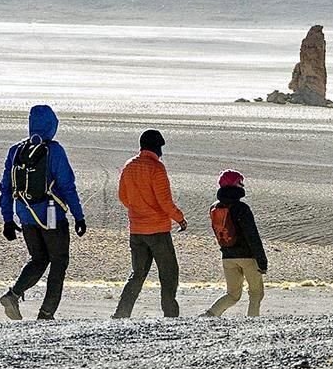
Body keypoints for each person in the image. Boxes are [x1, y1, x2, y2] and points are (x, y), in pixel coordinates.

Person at [0, 104, 86, 321]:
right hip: (51, 216)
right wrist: (79, 216)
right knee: (59, 261)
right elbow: (67, 186)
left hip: (26, 215)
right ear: (52, 125)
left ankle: (13, 294)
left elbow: (6, 188)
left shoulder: (16, 150)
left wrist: (8, 220)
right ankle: (46, 313)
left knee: (38, 258)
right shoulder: (54, 151)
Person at [112, 129, 187, 318]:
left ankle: (121, 313)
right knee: (169, 273)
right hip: (158, 230)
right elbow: (165, 201)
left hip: (136, 230)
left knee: (137, 274)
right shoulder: (156, 168)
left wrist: (137, 210)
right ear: (157, 147)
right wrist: (179, 218)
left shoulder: (129, 165)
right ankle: (170, 314)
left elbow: (122, 196)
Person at [201, 170, 268, 317]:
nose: (242, 185)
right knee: (256, 293)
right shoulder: (242, 208)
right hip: (248, 257)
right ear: (235, 185)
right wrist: (262, 262)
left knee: (232, 295)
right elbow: (252, 236)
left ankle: (210, 315)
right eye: (240, 182)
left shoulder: (215, 208)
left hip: (227, 257)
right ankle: (252, 322)